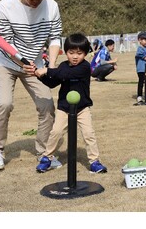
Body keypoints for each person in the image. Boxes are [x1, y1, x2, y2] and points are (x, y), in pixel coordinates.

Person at [0, 0, 62, 171]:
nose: (37, 1)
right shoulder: (5, 6)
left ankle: (44, 153)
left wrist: (51, 65)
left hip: (36, 63)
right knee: (4, 103)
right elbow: (6, 43)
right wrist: (23, 63)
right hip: (5, 61)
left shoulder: (52, 6)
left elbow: (55, 37)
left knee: (47, 105)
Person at [34, 33, 107, 173]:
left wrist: (47, 70)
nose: (74, 56)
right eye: (71, 52)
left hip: (82, 108)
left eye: (79, 53)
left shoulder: (85, 67)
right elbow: (53, 82)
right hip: (64, 108)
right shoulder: (62, 66)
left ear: (85, 53)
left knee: (88, 134)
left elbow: (66, 75)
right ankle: (46, 158)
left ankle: (94, 161)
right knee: (55, 132)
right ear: (65, 52)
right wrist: (39, 75)